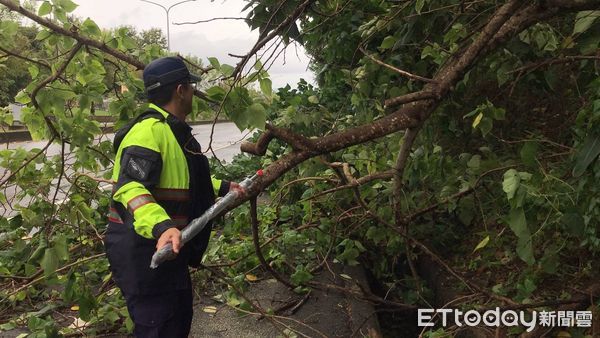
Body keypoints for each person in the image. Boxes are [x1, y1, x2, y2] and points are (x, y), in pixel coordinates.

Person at [104, 56, 243, 337]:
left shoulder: (170, 131)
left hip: (170, 250)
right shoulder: (148, 132)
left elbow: (186, 178)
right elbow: (131, 187)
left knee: (178, 323)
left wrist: (225, 187)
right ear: (180, 90)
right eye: (190, 87)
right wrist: (162, 226)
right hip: (146, 253)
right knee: (160, 328)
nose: (193, 92)